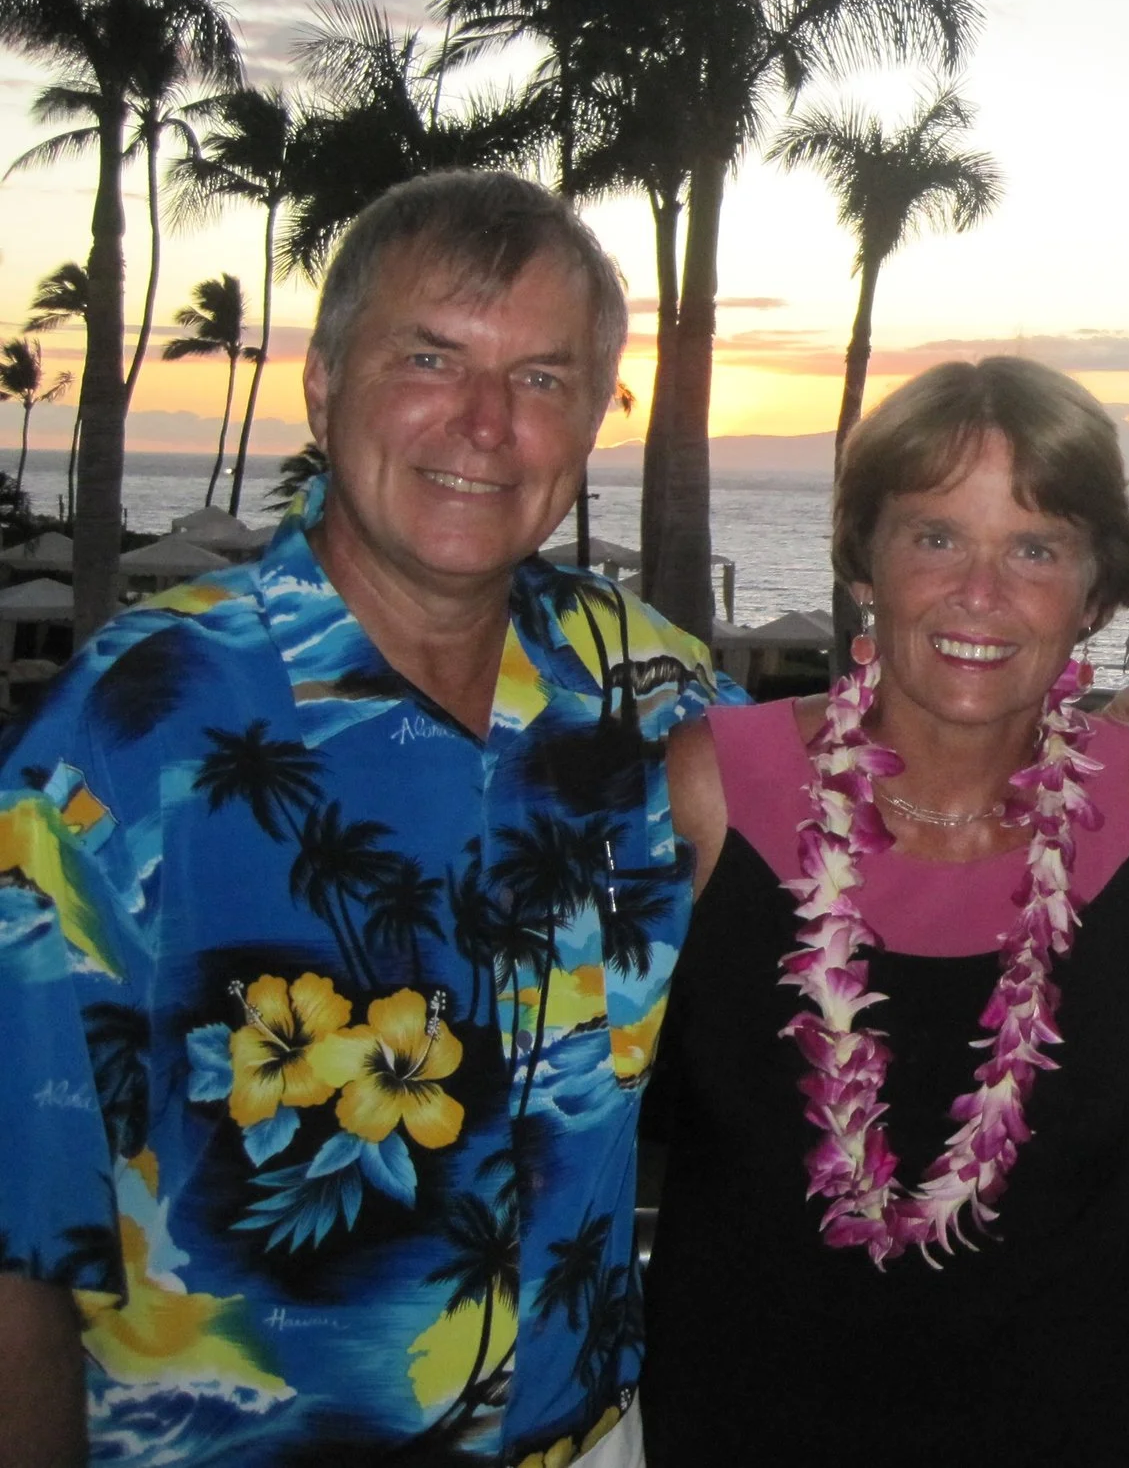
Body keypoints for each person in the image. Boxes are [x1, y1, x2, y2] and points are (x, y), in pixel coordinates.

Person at [0, 172, 730, 1466]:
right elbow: (11, 1217)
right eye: (431, 356)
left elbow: (916, 792)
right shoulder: (141, 720)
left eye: (545, 377)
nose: (486, 422)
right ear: (325, 386)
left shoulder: (643, 682)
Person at [638, 357, 1129, 1466]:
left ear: (1097, 592)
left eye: (1036, 548)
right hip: (740, 1429)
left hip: (1069, 1431)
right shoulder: (714, 790)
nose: (980, 591)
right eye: (934, 537)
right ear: (865, 563)